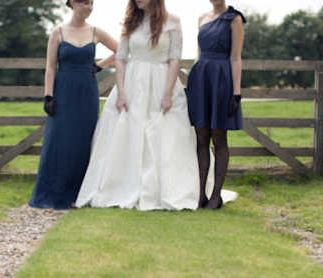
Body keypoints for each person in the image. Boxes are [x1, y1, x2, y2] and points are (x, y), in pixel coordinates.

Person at [76, 0, 209, 211]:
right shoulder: (131, 21)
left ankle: (162, 189)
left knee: (164, 135)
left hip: (161, 83)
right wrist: (120, 92)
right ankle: (123, 185)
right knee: (127, 132)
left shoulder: (173, 21)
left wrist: (167, 93)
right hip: (132, 84)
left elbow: (175, 59)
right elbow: (120, 58)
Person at [28, 0, 118, 210]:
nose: (89, 7)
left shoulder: (96, 31)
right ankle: (52, 192)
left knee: (83, 140)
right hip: (62, 90)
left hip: (87, 91)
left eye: (92, 3)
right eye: (85, 2)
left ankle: (78, 194)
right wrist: (48, 96)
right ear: (72, 3)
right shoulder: (57, 32)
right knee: (58, 140)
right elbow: (50, 68)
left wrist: (99, 65)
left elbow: (122, 50)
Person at [186, 0, 245, 209]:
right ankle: (200, 194)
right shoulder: (202, 18)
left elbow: (236, 58)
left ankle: (216, 195)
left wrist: (236, 93)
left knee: (218, 137)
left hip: (221, 79)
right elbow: (199, 54)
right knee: (201, 137)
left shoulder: (235, 18)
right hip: (201, 79)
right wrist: (192, 83)